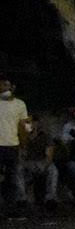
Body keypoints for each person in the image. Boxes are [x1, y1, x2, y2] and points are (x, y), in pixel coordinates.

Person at [19, 113, 59, 209]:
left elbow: (49, 155)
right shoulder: (20, 137)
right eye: (26, 122)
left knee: (53, 170)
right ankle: (21, 199)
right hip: (28, 163)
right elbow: (20, 156)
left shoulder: (45, 136)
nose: (28, 125)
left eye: (30, 122)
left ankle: (50, 198)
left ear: (36, 123)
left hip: (41, 162)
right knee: (18, 169)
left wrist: (43, 165)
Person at [0, 78, 27, 215]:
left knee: (11, 177)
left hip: (12, 145)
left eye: (8, 86)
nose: (6, 88)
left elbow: (23, 126)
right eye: (3, 85)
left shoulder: (19, 104)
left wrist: (23, 145)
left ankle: (10, 206)